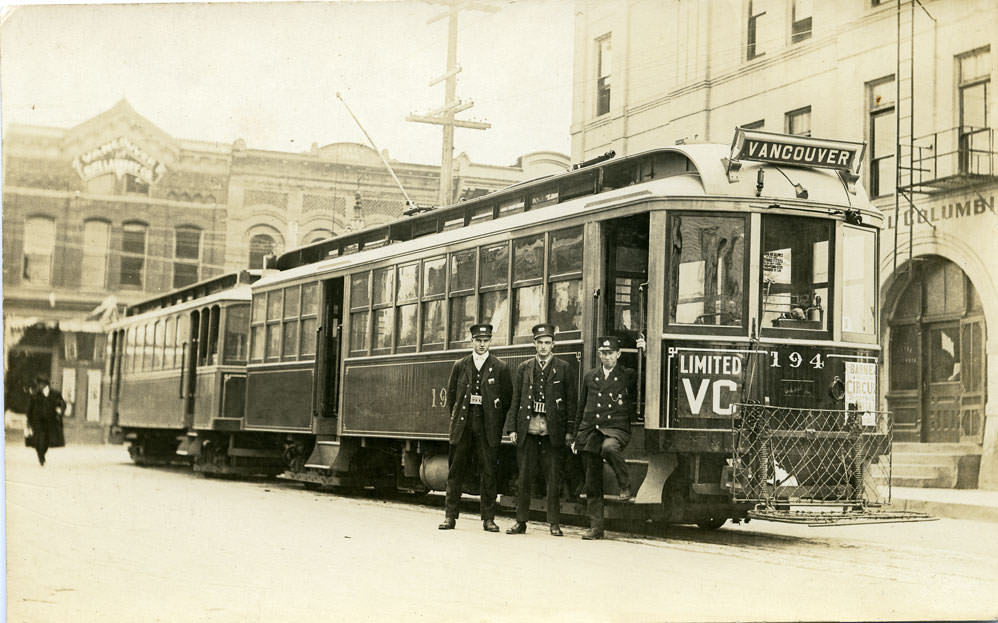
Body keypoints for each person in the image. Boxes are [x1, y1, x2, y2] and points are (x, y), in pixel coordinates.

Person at [503, 323, 578, 537]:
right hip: (529, 429)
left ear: (553, 344)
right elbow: (515, 399)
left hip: (552, 432)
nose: (543, 347)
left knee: (553, 479)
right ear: (534, 344)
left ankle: (554, 523)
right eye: (540, 342)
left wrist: (569, 431)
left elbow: (571, 402)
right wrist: (512, 429)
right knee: (524, 477)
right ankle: (521, 522)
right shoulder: (524, 368)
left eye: (547, 343)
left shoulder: (563, 368)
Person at [438, 323, 512, 532]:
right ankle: (450, 517)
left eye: (485, 340)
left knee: (489, 472)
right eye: (478, 340)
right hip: (463, 426)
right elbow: (451, 397)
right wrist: (460, 418)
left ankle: (488, 519)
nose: (481, 344)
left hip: (487, 428)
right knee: (455, 472)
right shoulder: (460, 365)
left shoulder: (500, 367)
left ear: (490, 342)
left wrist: (494, 421)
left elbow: (506, 399)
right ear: (471, 341)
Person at [573, 336, 643, 540]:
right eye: (603, 353)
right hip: (591, 431)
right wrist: (577, 436)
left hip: (616, 429)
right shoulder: (590, 376)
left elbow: (650, 375)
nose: (607, 357)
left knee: (610, 448)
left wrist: (644, 352)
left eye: (610, 353)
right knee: (592, 481)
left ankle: (625, 484)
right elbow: (582, 406)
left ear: (618, 354)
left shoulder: (627, 375)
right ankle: (596, 528)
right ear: (599, 355)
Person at [26, 374, 66, 466]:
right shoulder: (35, 395)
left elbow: (62, 404)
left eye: (40, 384)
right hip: (37, 422)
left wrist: (60, 410)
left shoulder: (55, 394)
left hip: (50, 422)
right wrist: (28, 421)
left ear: (45, 384)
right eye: (38, 384)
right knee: (38, 440)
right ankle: (41, 457)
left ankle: (42, 454)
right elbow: (30, 409)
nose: (39, 386)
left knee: (47, 441)